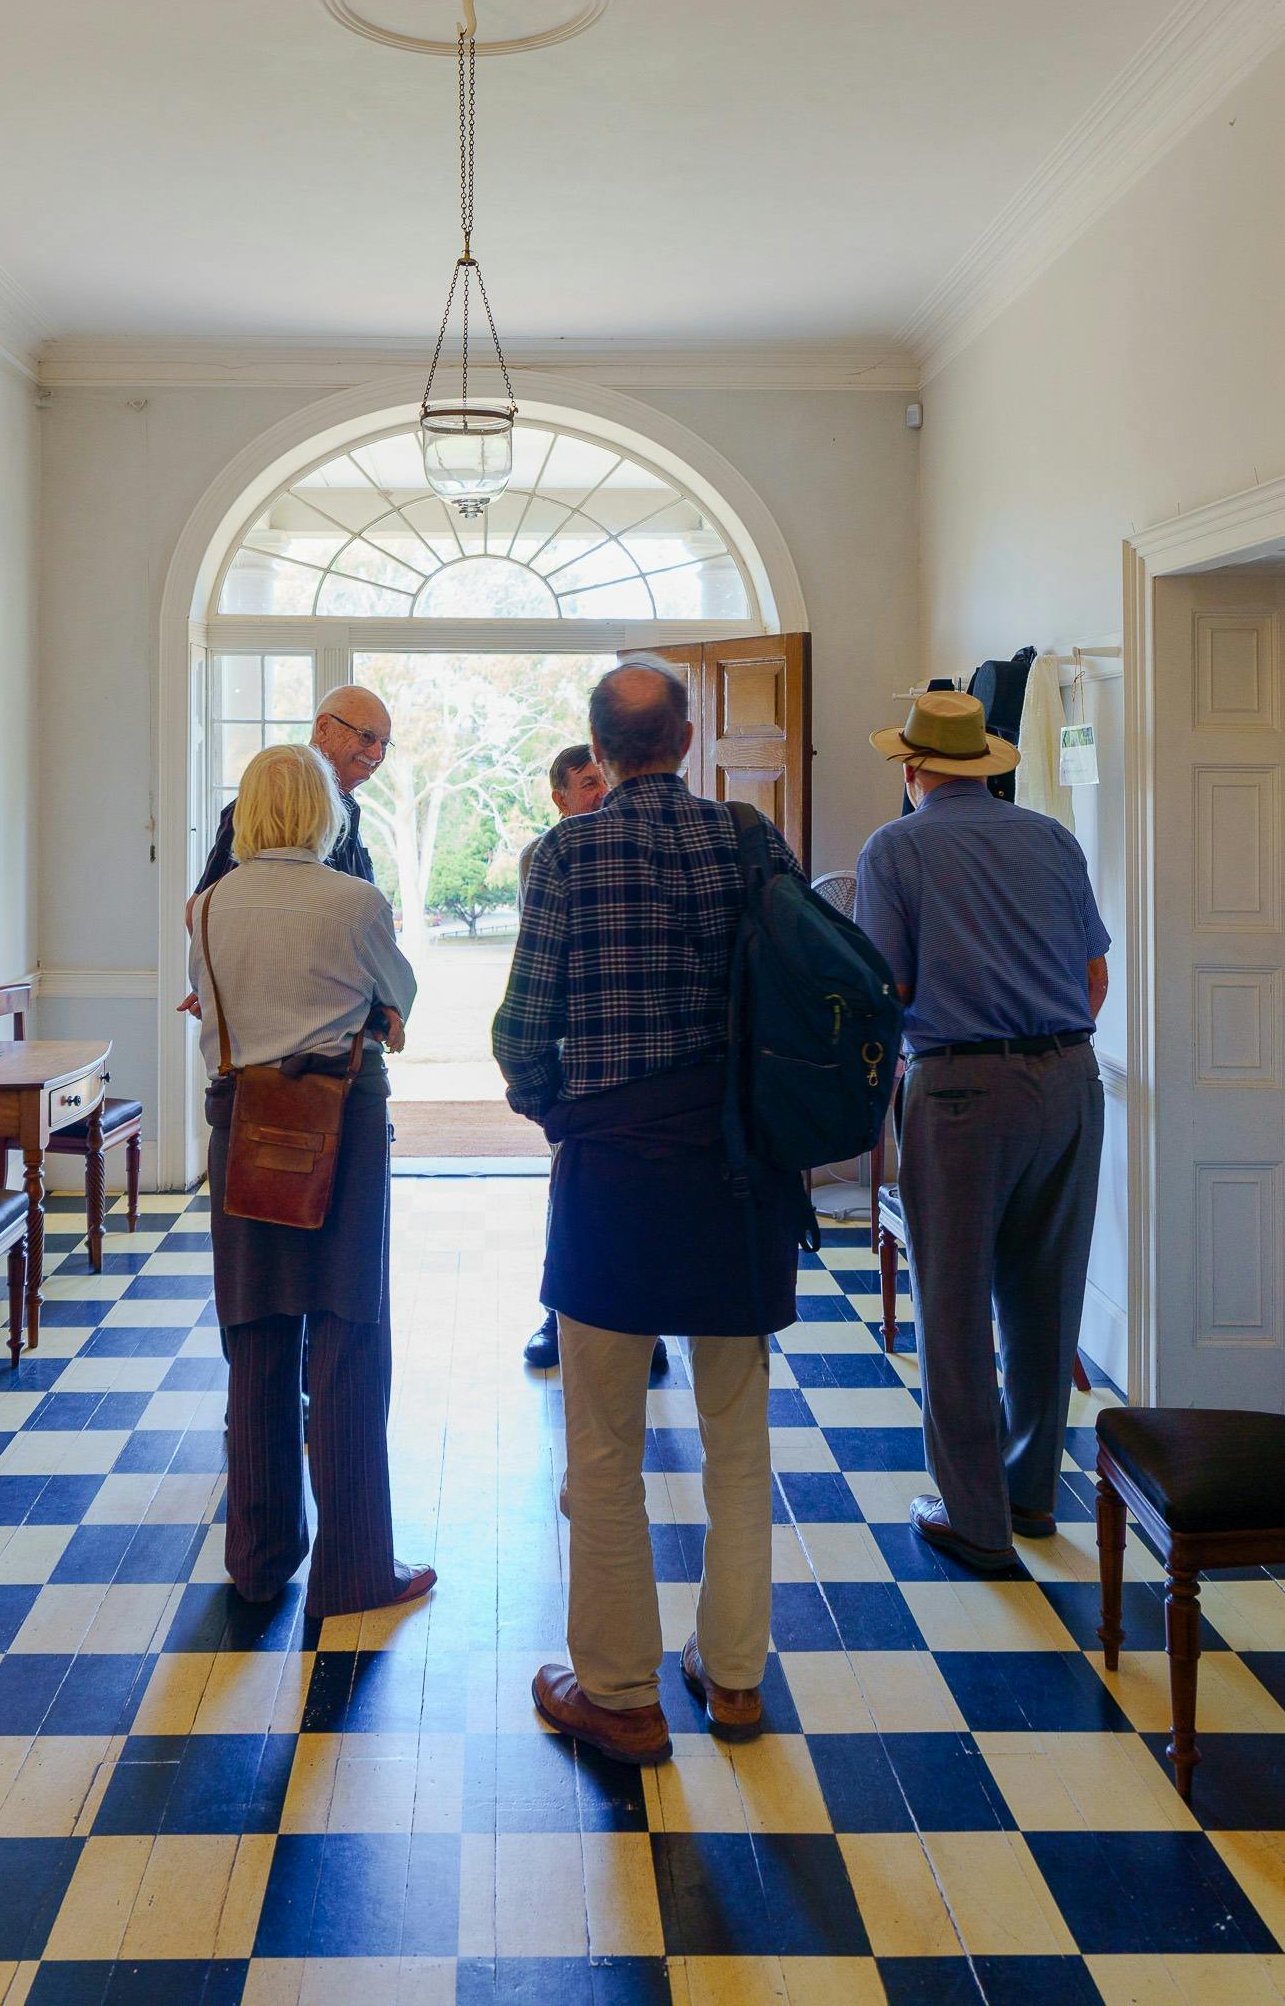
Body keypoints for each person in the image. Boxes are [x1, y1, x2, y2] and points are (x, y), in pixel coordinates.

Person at [494, 664, 804, 1763]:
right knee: (737, 1439)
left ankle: (620, 1695)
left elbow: (523, 1030)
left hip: (616, 1178)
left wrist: (560, 1112)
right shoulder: (749, 838)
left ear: (602, 747)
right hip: (736, 1176)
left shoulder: (565, 855)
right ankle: (735, 1682)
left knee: (606, 1447)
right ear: (686, 735)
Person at [848, 690, 1111, 1576]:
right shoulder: (1051, 839)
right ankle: (1031, 1493)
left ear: (912, 769)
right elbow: (1093, 977)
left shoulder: (896, 848)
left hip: (961, 1086)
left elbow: (885, 987)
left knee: (953, 1305)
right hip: (1073, 1078)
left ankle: (976, 1520)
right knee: (1049, 1297)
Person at [186, 741, 435, 1623]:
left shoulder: (209, 904)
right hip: (342, 1122)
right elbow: (399, 995)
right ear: (324, 812)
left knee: (254, 1336)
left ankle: (257, 1560)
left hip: (241, 1121)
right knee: (348, 1334)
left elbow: (211, 1018)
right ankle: (355, 1570)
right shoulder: (355, 901)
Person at [518, 740, 616, 1373]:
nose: (600, 792)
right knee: (570, 1188)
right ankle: (558, 1315)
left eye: (604, 780)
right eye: (586, 784)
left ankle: (646, 1326)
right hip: (571, 1049)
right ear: (559, 797)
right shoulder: (542, 858)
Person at [194, 684, 390, 893]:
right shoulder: (266, 803)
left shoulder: (349, 807)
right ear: (324, 727)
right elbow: (200, 907)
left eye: (385, 743)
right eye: (366, 736)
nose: (378, 754)